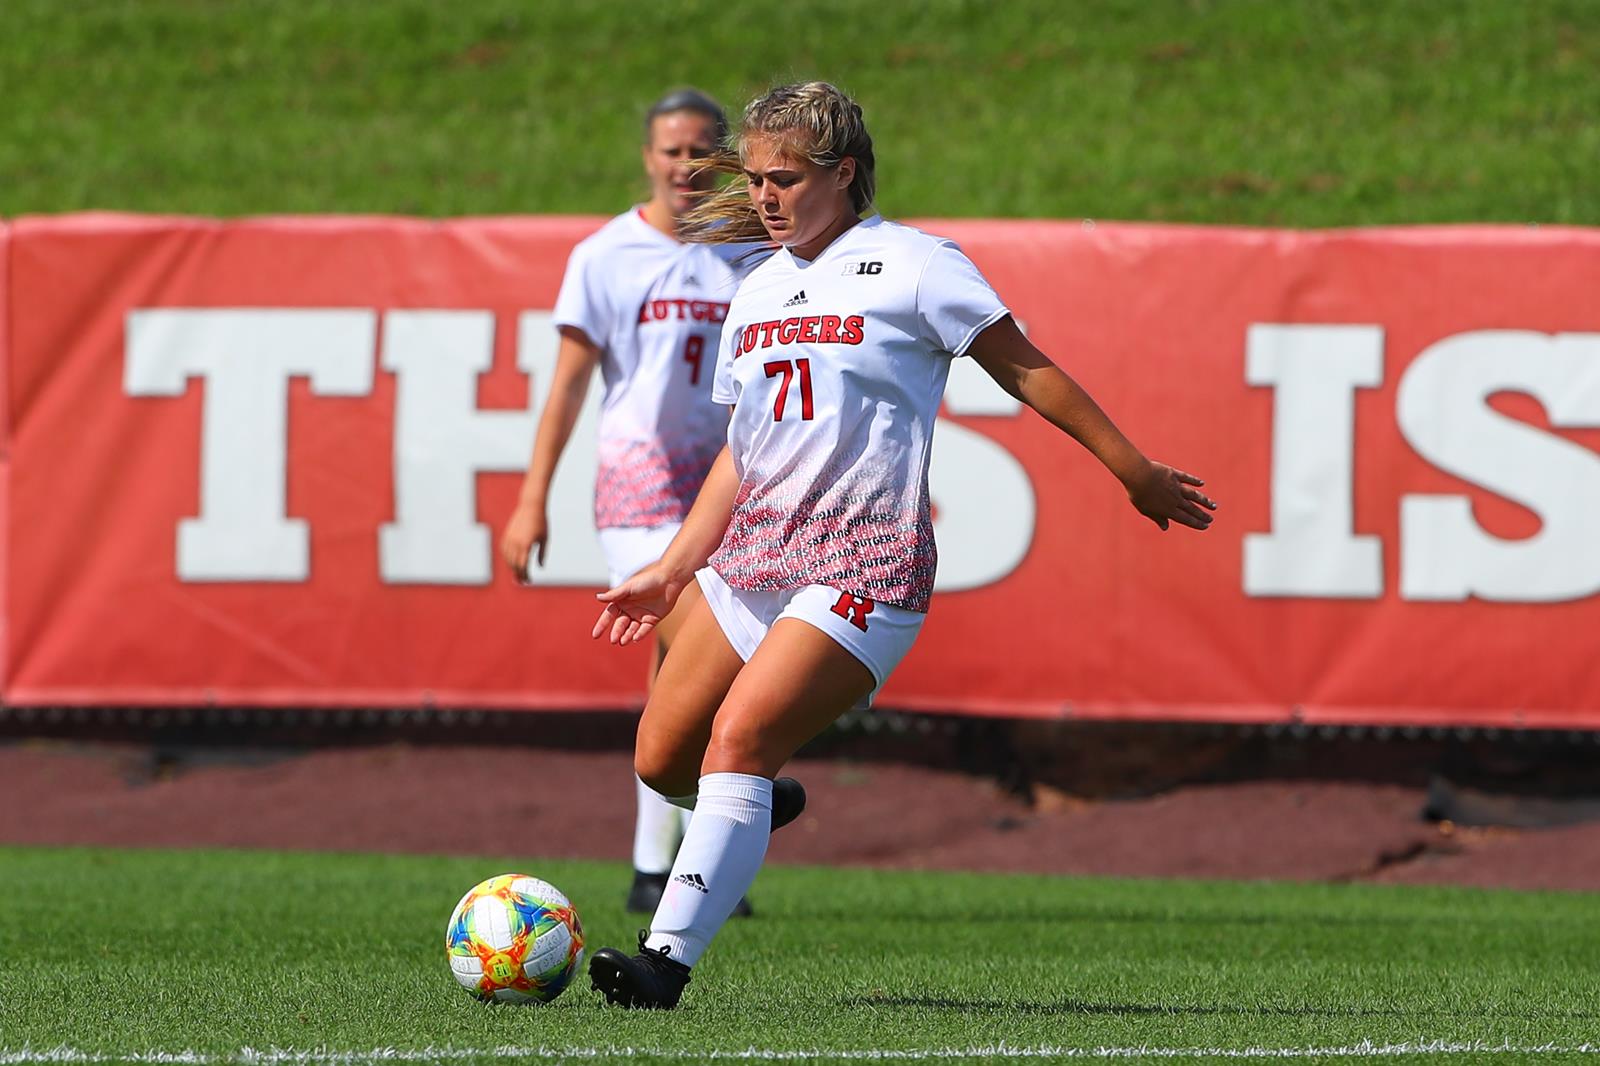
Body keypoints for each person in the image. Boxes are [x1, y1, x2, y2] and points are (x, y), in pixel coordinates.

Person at [585, 82, 1218, 1009]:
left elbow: (1028, 369)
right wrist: (675, 567)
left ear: (844, 174)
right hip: (753, 561)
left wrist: (1134, 471)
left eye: (785, 178)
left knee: (740, 738)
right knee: (660, 761)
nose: (764, 196)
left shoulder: (916, 265)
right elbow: (740, 453)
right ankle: (760, 802)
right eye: (756, 178)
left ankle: (664, 962)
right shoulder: (756, 287)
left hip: (863, 562)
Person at [499, 88, 765, 916]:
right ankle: (686, 853)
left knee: (706, 676)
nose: (685, 166)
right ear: (648, 157)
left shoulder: (754, 254)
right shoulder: (605, 255)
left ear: (724, 159)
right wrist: (531, 498)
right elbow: (570, 386)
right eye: (671, 150)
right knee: (694, 648)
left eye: (700, 152)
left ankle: (666, 864)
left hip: (727, 490)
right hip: (641, 490)